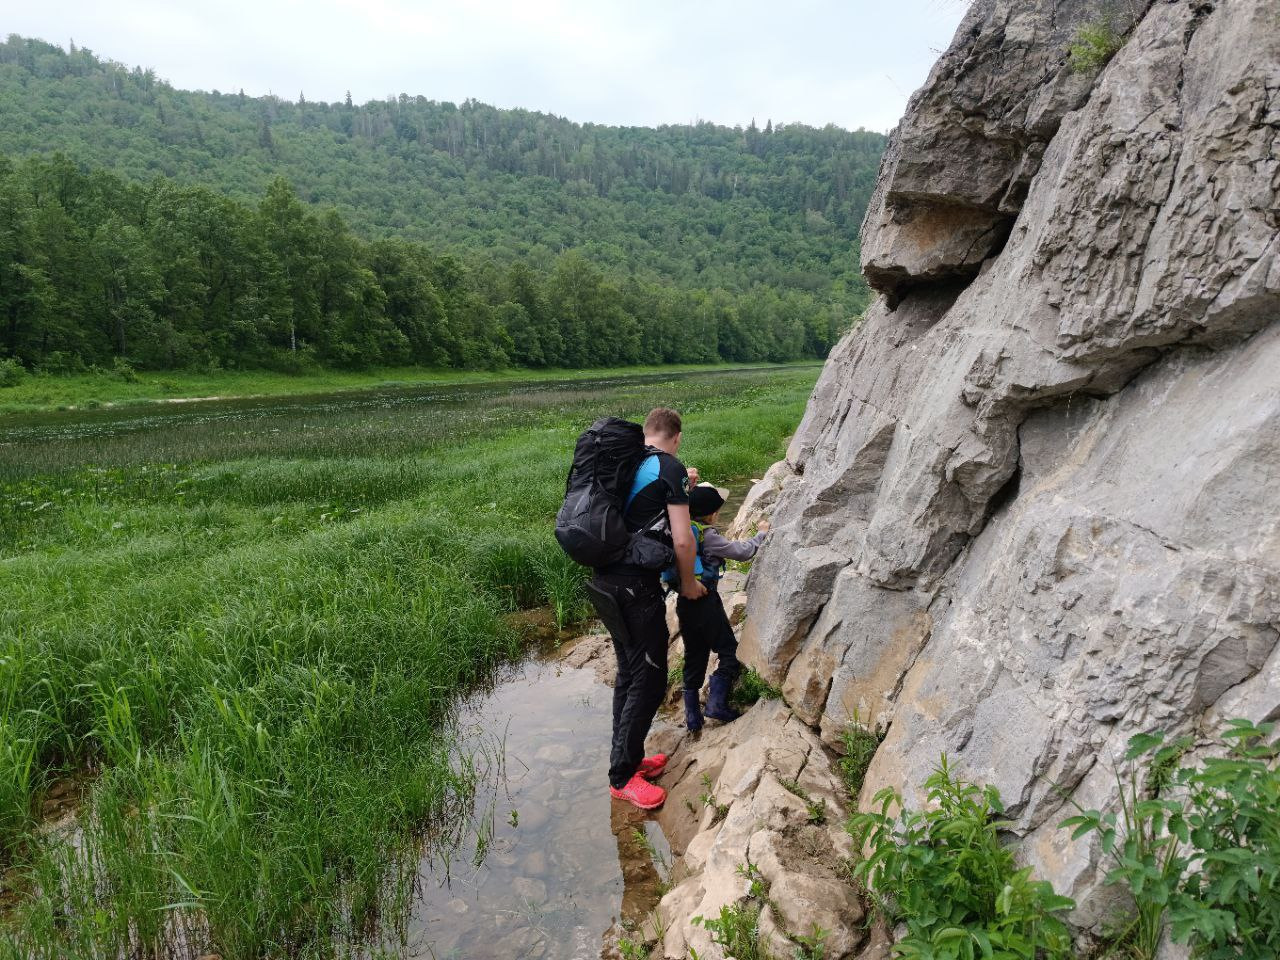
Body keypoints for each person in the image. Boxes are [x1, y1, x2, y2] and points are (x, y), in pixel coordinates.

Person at [588, 407, 704, 810]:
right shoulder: (666, 465)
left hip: (603, 582)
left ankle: (629, 762)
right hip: (635, 589)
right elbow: (684, 541)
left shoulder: (625, 461)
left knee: (629, 673)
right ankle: (621, 778)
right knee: (650, 680)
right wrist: (688, 584)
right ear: (676, 437)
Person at [674, 483, 767, 732]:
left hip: (684, 603)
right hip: (706, 602)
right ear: (712, 514)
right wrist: (761, 535)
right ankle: (716, 704)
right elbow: (742, 551)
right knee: (728, 652)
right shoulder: (709, 536)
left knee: (694, 657)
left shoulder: (681, 531)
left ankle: (693, 718)